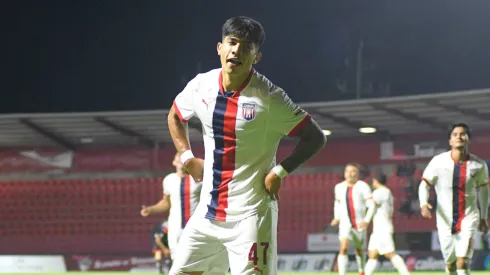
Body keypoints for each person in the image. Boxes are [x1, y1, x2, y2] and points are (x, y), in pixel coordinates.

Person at [167, 16, 326, 275]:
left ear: (256, 56)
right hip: (207, 214)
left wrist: (280, 171)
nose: (237, 50)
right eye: (232, 42)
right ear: (220, 48)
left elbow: (315, 137)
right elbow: (175, 115)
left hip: (251, 216)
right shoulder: (201, 86)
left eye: (247, 46)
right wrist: (187, 157)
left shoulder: (270, 98)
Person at [419, 122, 489, 275]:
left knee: (462, 261)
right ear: (450, 141)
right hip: (444, 219)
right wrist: (423, 204)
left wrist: (483, 217)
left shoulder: (479, 165)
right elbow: (424, 185)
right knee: (450, 265)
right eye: (455, 135)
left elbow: (484, 190)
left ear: (468, 139)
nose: (459, 137)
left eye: (463, 134)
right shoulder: (438, 162)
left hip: (469, 216)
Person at [141, 153, 202, 260]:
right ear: (174, 162)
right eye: (178, 156)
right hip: (175, 227)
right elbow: (165, 203)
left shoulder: (198, 179)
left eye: (184, 157)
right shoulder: (169, 180)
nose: (181, 158)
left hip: (195, 226)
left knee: (197, 259)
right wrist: (150, 209)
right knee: (177, 260)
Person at [330, 163, 375, 275]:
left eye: (353, 171)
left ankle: (361, 271)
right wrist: (336, 217)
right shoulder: (339, 187)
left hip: (359, 223)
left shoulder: (363, 186)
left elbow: (372, 205)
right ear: (344, 173)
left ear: (357, 173)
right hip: (345, 223)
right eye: (347, 171)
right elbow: (337, 203)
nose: (350, 174)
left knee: (359, 250)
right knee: (343, 248)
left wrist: (366, 220)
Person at [364, 171, 410, 275]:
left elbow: (371, 205)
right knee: (372, 254)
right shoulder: (386, 191)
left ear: (376, 180)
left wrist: (366, 220)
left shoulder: (381, 191)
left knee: (390, 253)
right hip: (378, 228)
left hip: (383, 228)